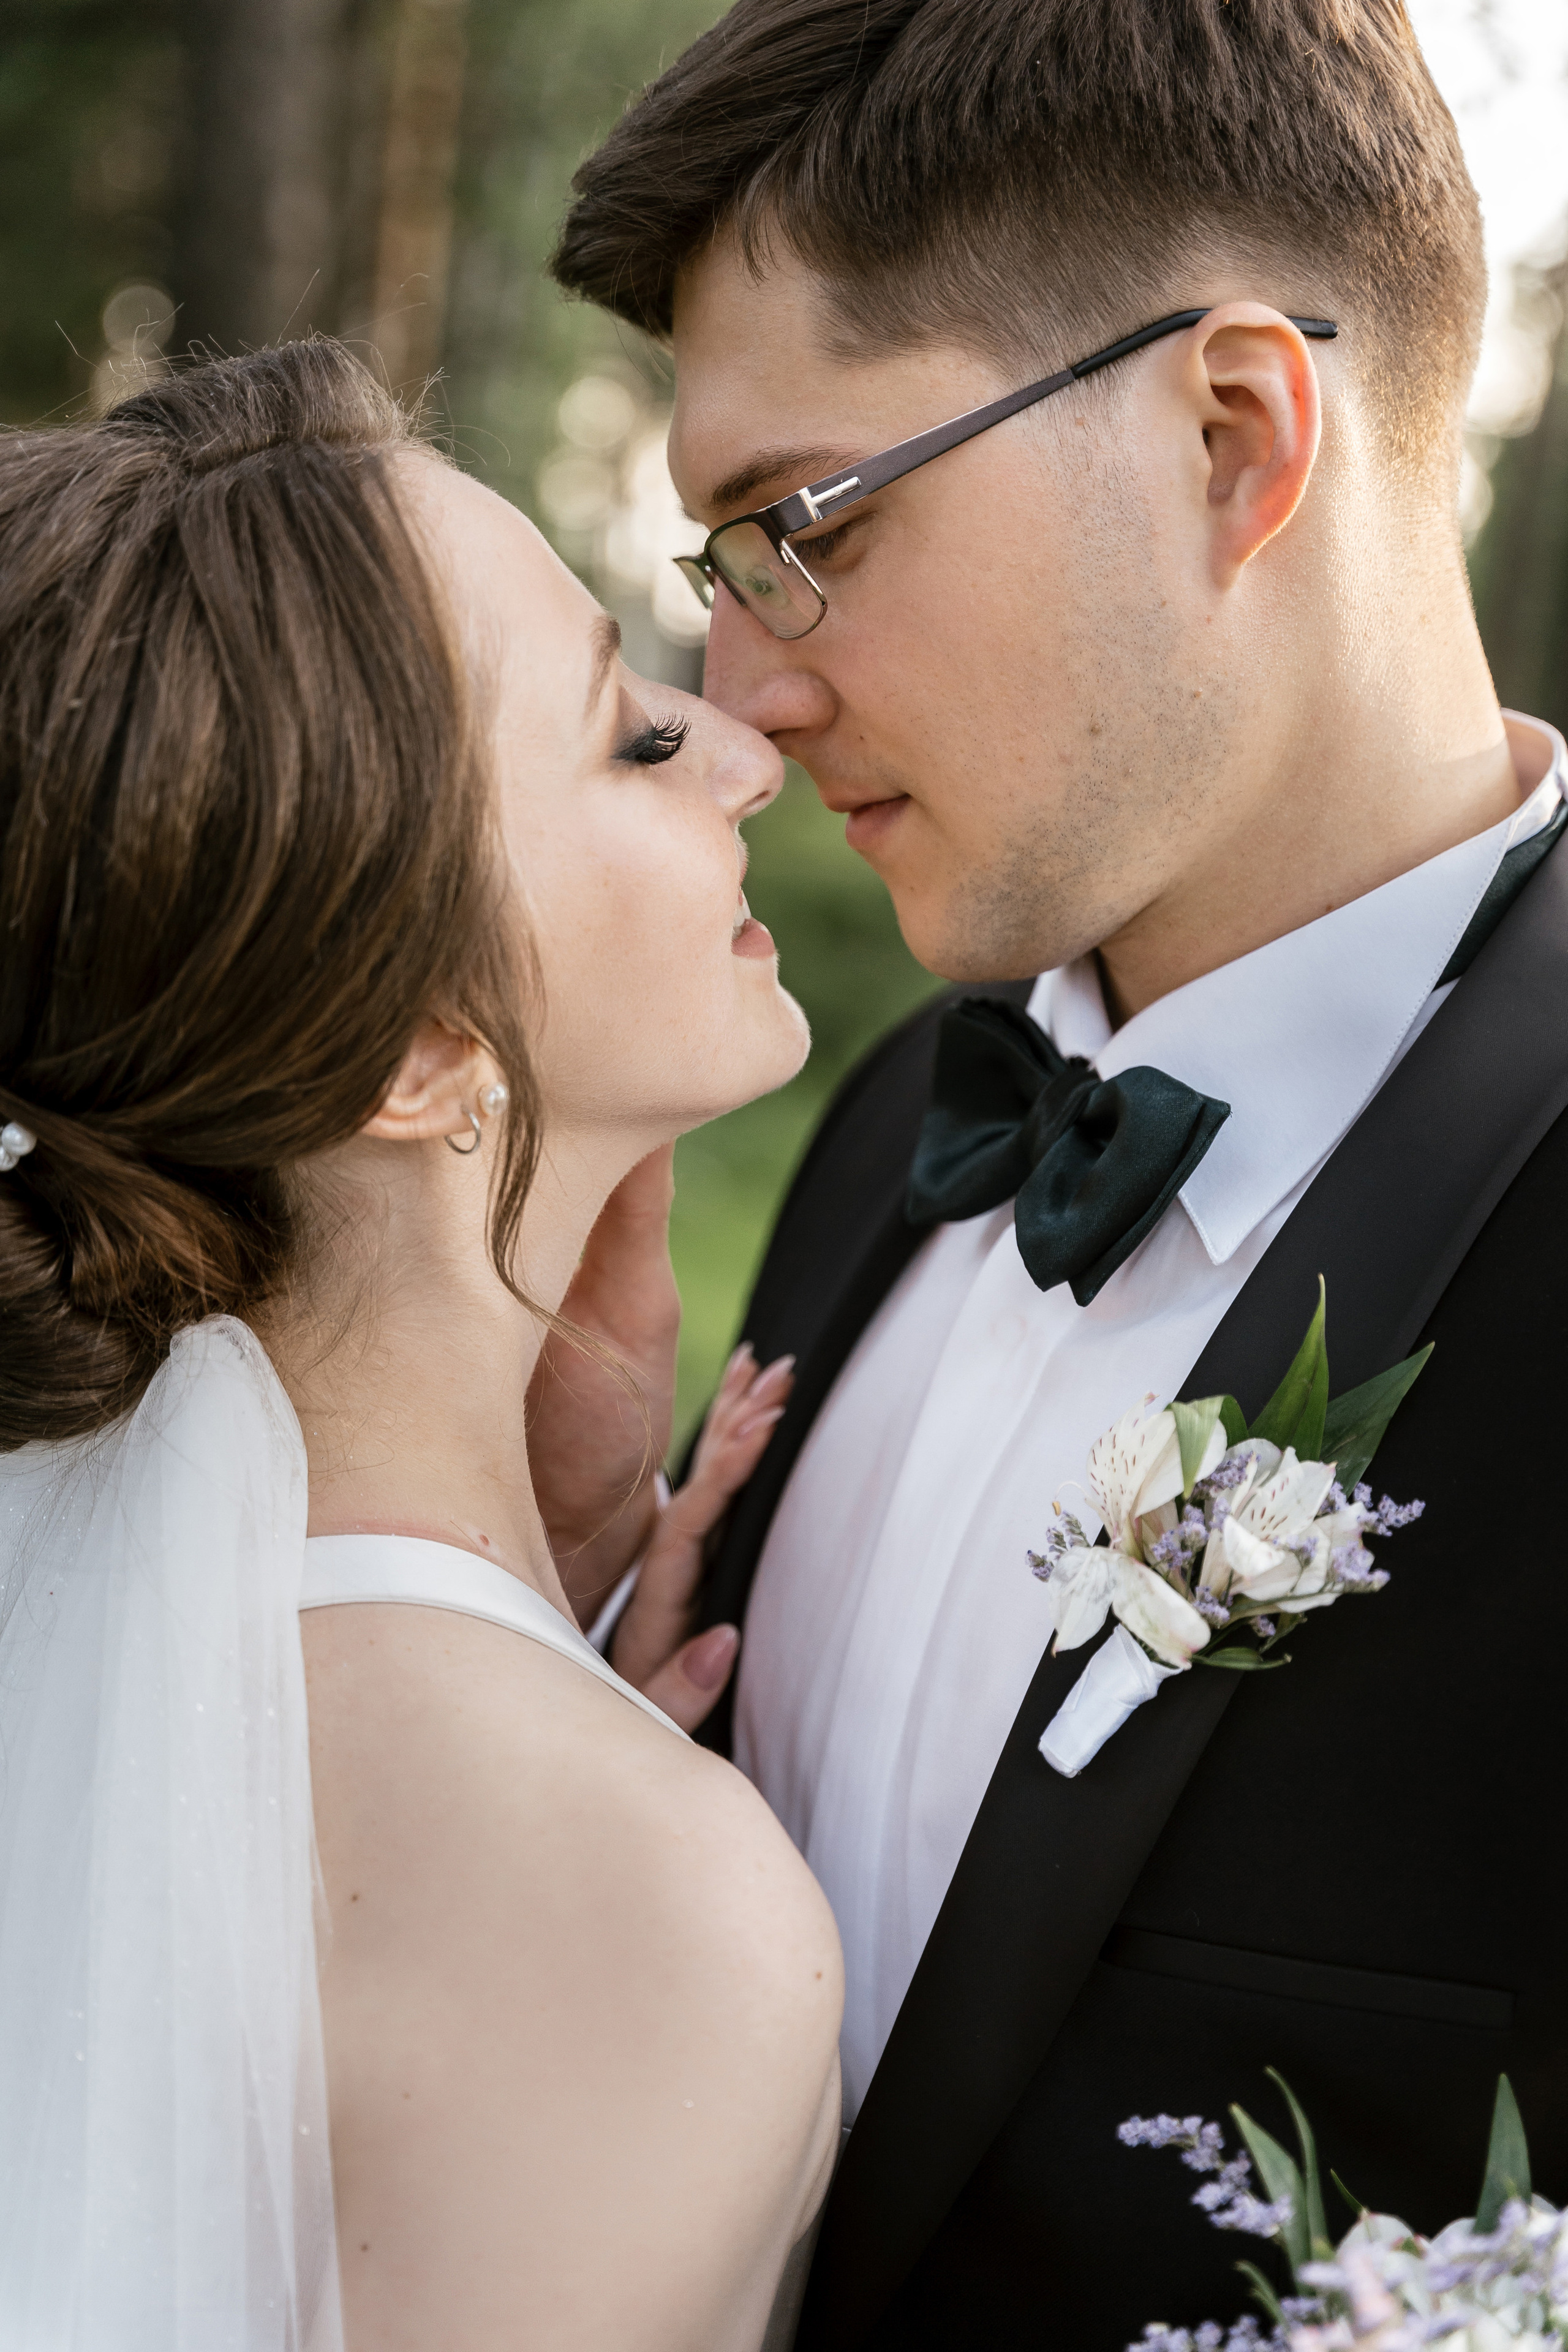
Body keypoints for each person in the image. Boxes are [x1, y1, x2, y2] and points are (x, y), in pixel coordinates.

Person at [547, 3, 1568, 2346]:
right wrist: (561, 1620)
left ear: (1234, 436)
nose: (745, 691)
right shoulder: (896, 1121)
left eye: (809, 528)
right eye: (723, 559)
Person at [0, 341, 842, 2351]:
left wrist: (547, 1622)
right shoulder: (638, 1910)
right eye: (629, 738)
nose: (743, 754)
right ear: (416, 1052)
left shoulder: (103, 1665)